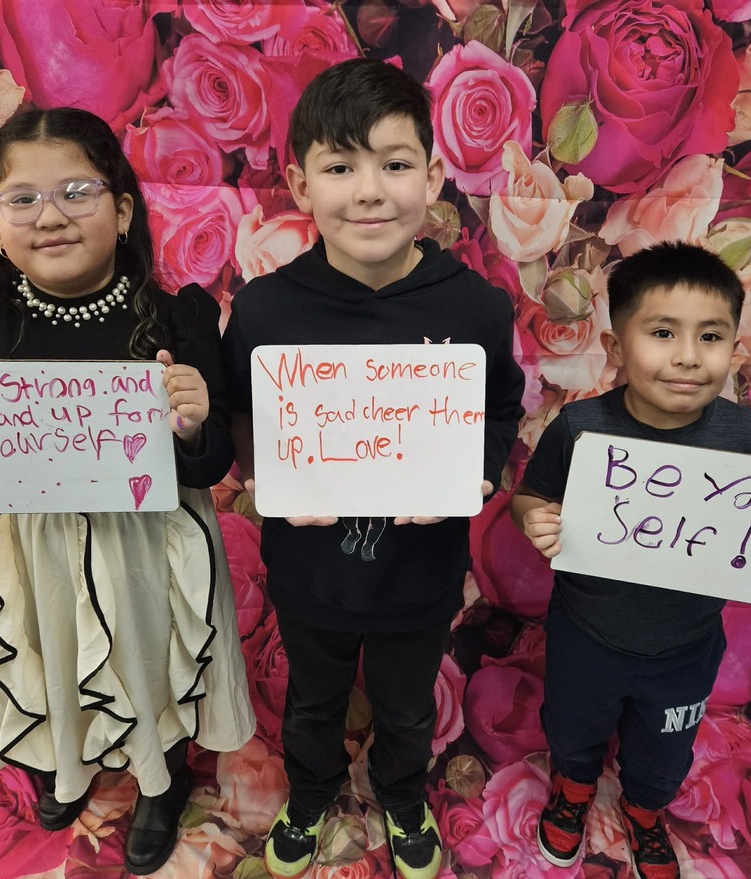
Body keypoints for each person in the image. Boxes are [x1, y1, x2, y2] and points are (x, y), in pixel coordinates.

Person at [0, 108, 255, 875]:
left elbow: (210, 467)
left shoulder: (180, 314)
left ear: (122, 208)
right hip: (37, 541)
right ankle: (63, 763)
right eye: (24, 199)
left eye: (78, 191)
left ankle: (159, 779)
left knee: (150, 660)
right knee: (51, 654)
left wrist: (193, 420)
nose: (52, 215)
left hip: (150, 544)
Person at [222, 59, 525, 879]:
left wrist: (476, 474)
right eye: (339, 166)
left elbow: (500, 412)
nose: (369, 191)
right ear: (299, 182)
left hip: (421, 572)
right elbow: (242, 416)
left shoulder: (477, 309)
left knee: (404, 700)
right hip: (309, 566)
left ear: (432, 176)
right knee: (312, 697)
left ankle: (401, 795)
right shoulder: (264, 310)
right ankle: (312, 792)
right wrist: (265, 476)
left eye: (394, 165)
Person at [510, 241, 751, 879]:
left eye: (712, 336)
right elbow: (527, 494)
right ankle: (574, 789)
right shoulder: (580, 428)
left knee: (664, 748)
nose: (688, 356)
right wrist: (533, 516)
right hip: (587, 634)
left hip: (687, 645)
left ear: (733, 349)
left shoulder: (741, 433)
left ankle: (644, 811)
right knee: (574, 726)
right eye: (663, 332)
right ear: (615, 350)